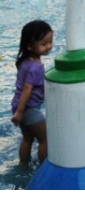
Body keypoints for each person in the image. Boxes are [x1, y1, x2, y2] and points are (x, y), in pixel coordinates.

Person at [11, 20, 53, 166]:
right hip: (28, 109)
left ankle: (23, 164)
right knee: (46, 139)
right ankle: (44, 168)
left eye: (50, 42)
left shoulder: (25, 62)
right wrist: (20, 112)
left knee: (28, 138)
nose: (49, 46)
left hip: (18, 106)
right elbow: (27, 89)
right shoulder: (36, 66)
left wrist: (18, 111)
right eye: (44, 44)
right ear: (29, 46)